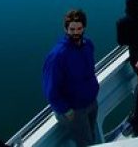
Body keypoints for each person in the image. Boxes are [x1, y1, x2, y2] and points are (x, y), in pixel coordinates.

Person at [42, 10, 101, 147]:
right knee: (85, 143)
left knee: (91, 135)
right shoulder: (58, 56)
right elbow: (50, 89)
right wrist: (65, 110)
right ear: (65, 29)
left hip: (91, 102)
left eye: (79, 28)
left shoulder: (88, 45)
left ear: (84, 27)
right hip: (75, 110)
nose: (75, 32)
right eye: (72, 29)